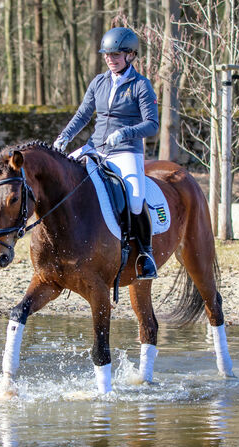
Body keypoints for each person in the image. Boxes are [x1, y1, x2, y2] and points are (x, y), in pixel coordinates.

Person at [53, 27, 159, 280]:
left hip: (125, 151)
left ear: (131, 55)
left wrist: (125, 133)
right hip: (96, 147)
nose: (110, 59)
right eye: (107, 55)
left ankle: (145, 254)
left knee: (134, 200)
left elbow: (152, 124)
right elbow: (83, 114)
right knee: (62, 179)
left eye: (116, 55)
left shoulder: (141, 86)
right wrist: (64, 137)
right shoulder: (98, 82)